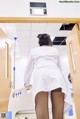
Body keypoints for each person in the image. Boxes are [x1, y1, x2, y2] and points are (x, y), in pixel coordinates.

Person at [24, 33, 72, 119]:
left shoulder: (34, 51)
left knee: (42, 115)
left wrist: (26, 83)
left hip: (40, 78)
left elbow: (28, 69)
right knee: (58, 115)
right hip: (56, 77)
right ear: (50, 42)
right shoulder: (55, 50)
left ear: (39, 43)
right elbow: (60, 67)